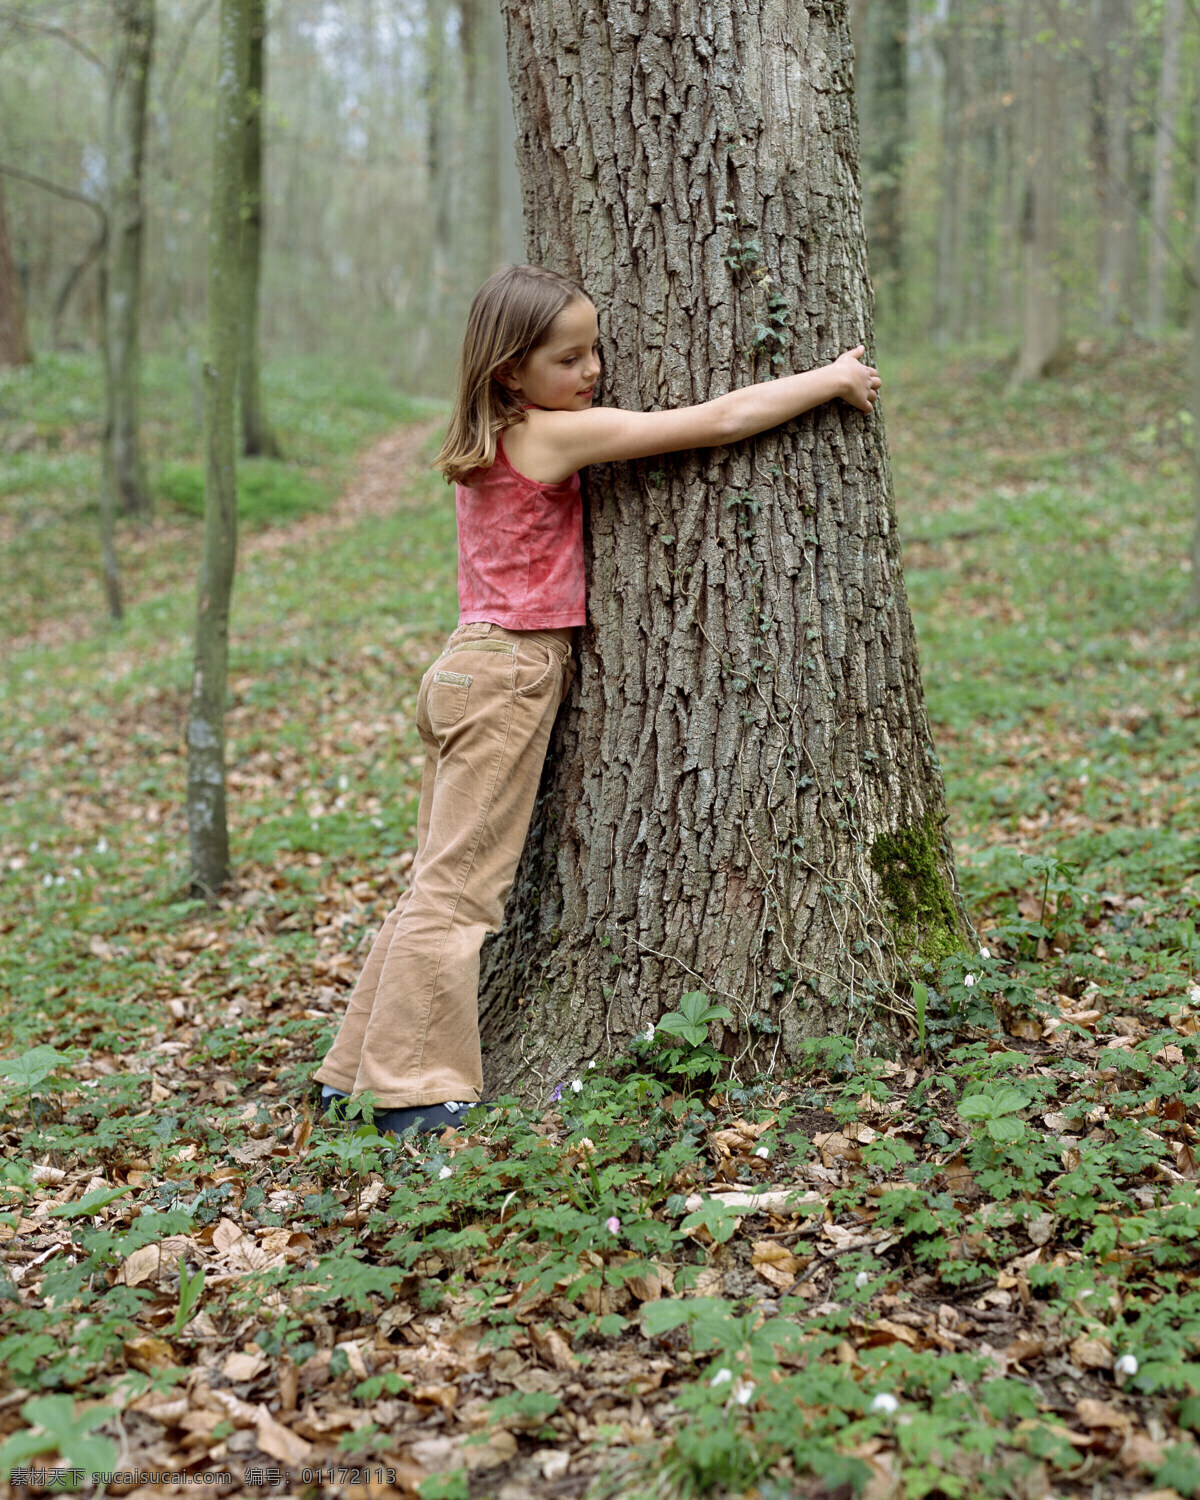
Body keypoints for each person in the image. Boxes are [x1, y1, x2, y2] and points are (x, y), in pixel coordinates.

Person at [313, 263, 881, 1135]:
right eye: (569, 359)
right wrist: (833, 379)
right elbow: (716, 421)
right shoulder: (547, 436)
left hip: (466, 667)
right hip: (508, 672)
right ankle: (417, 1092)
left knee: (432, 883)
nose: (592, 372)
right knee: (460, 894)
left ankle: (352, 1071)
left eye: (595, 352)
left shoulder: (493, 434)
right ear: (511, 371)